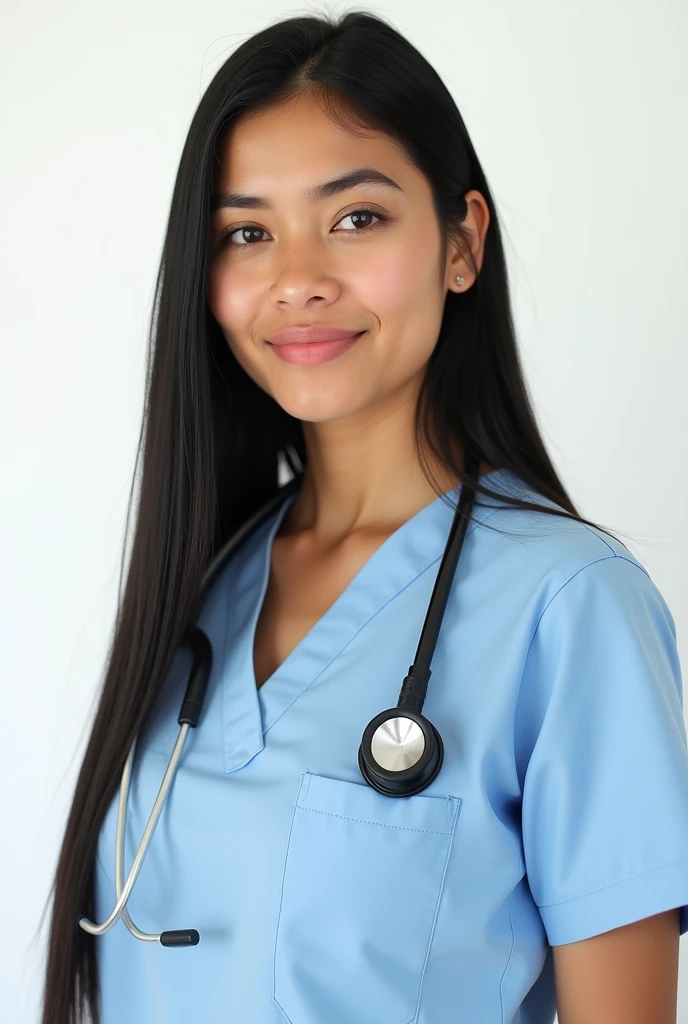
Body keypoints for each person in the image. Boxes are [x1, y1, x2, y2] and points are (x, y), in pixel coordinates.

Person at [40, 9, 688, 1024]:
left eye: (355, 218)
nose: (297, 279)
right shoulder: (203, 583)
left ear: (462, 243)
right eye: (246, 233)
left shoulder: (569, 608)